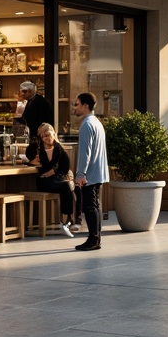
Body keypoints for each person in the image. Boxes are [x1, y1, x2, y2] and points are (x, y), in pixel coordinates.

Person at [74, 92, 108, 252]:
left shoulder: (87, 125)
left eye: (77, 104)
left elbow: (85, 152)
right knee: (94, 206)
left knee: (90, 206)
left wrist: (80, 173)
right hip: (98, 171)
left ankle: (94, 239)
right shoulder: (96, 123)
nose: (75, 107)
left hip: (90, 173)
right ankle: (95, 238)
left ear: (85, 105)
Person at [33, 123, 77, 237]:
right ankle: (67, 221)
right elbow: (44, 168)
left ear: (54, 133)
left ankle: (67, 219)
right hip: (43, 181)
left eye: (48, 134)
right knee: (66, 186)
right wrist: (49, 172)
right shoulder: (40, 149)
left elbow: (64, 169)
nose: (46, 138)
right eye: (43, 136)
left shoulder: (60, 150)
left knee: (70, 187)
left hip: (56, 179)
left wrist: (50, 172)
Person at [19, 81, 52, 157]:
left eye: (24, 92)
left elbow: (41, 121)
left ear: (30, 91)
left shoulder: (41, 102)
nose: (22, 94)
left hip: (39, 136)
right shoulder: (29, 101)